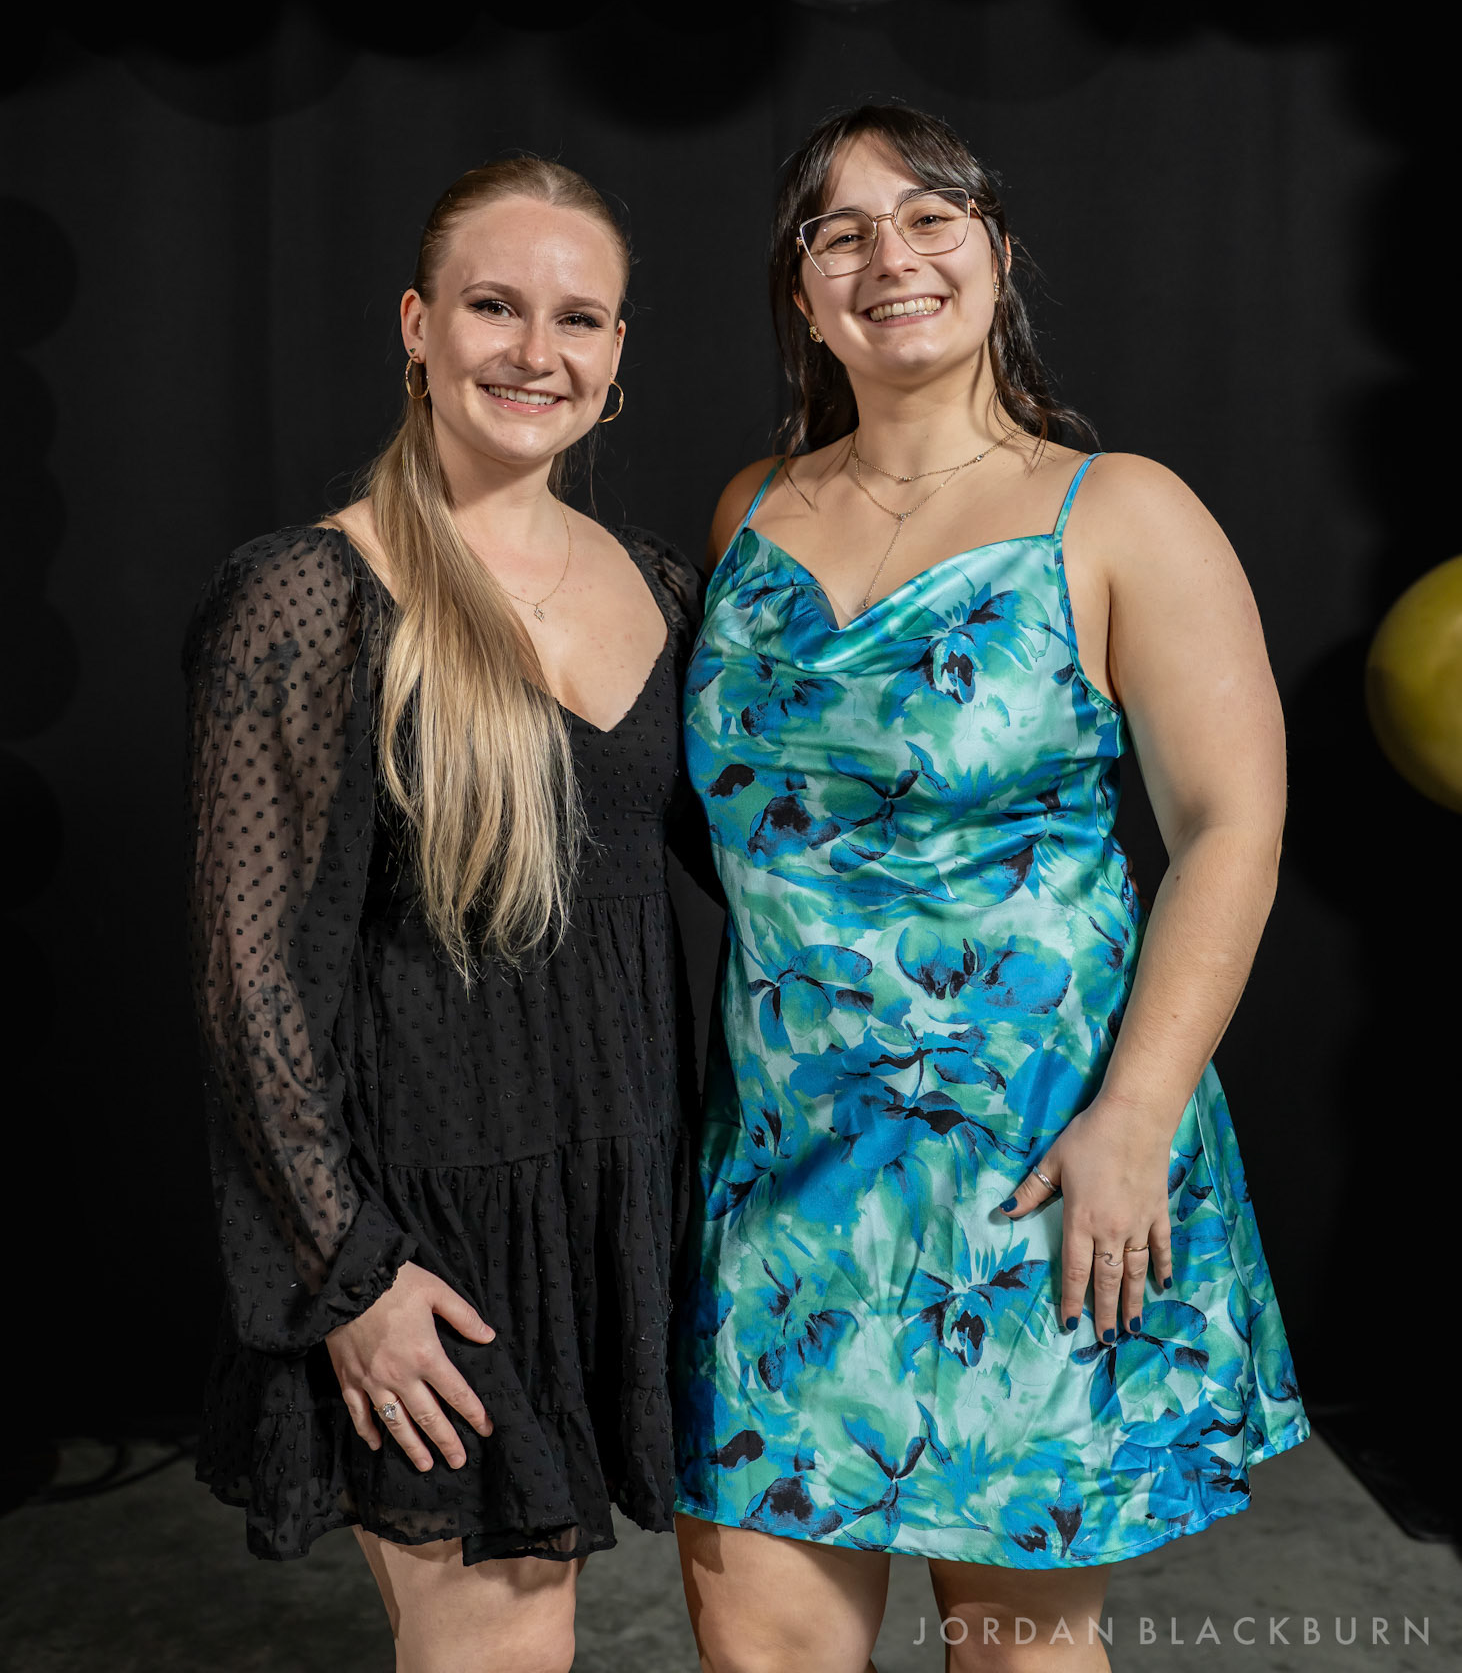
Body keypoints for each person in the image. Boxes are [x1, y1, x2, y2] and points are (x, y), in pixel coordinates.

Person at [672, 104, 1308, 1672]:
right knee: (758, 1643)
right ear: (801, 291)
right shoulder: (748, 513)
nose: (888, 255)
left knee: (1014, 1651)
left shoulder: (1119, 510)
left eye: (928, 216)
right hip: (783, 1181)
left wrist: (1135, 1118)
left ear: (997, 254)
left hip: (1037, 1167)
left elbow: (1229, 826)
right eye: (839, 231)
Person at [184, 156, 710, 1673]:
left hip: (618, 1202)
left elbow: (775, 876)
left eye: (577, 318)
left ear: (617, 356)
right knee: (502, 1642)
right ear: (418, 326)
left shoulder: (668, 590)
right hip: (429, 1234)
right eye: (494, 306)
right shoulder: (315, 595)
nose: (535, 352)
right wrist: (350, 1274)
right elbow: (246, 980)